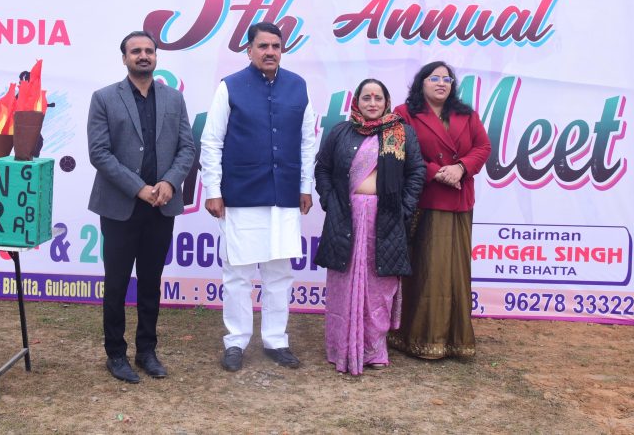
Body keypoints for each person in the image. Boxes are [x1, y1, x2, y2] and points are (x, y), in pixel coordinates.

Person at [200, 21, 316, 372]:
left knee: (279, 272)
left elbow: (308, 142)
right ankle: (235, 342)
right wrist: (213, 190)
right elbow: (211, 141)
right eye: (263, 46)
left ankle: (276, 340)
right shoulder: (230, 86)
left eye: (275, 46)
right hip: (241, 193)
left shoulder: (298, 86)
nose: (270, 52)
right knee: (237, 272)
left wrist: (305, 186)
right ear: (249, 50)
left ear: (282, 50)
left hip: (284, 194)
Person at [87, 30, 195, 383]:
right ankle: (116, 354)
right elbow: (99, 153)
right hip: (120, 206)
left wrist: (169, 183)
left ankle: (147, 351)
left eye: (149, 50)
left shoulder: (174, 98)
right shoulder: (104, 98)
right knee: (116, 283)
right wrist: (139, 188)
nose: (143, 55)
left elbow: (187, 148)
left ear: (156, 57)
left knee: (151, 282)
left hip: (161, 205)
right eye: (136, 51)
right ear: (125, 58)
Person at [314, 78, 425, 374]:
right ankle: (341, 348)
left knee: (379, 287)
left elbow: (417, 171)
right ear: (357, 101)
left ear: (387, 102)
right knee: (343, 283)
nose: (372, 103)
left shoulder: (401, 133)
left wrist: (404, 208)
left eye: (378, 98)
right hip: (345, 217)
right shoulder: (341, 132)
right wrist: (329, 200)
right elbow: (322, 168)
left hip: (385, 218)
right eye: (366, 97)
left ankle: (374, 351)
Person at [389, 61, 491, 359]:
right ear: (421, 83)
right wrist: (436, 172)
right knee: (427, 270)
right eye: (434, 78)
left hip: (459, 200)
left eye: (447, 79)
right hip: (424, 200)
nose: (441, 83)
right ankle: (419, 338)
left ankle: (455, 340)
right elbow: (398, 151)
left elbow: (483, 147)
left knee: (455, 271)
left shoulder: (466, 114)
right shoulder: (404, 113)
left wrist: (461, 167)